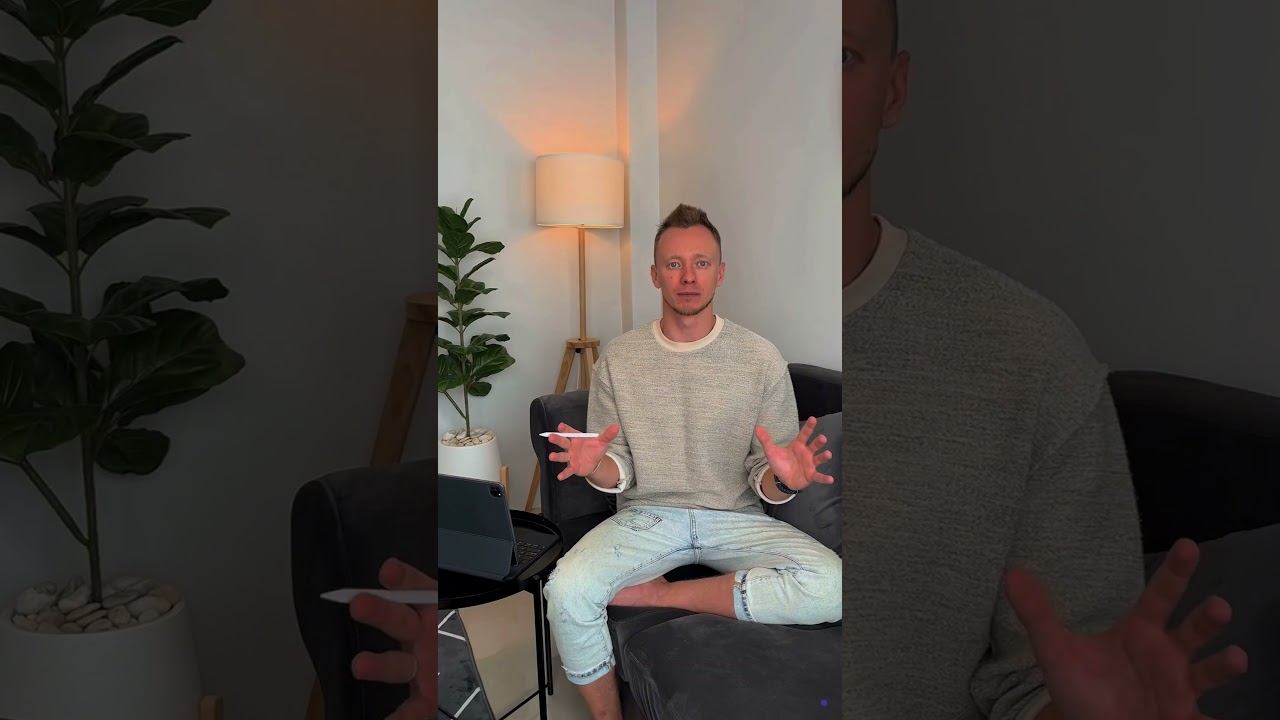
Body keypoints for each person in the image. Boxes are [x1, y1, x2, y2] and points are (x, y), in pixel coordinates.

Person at [842, 1, 1248, 719]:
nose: (795, 97)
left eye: (840, 59)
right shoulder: (634, 340)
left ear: (893, 91)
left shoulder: (1027, 361)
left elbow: (1048, 684)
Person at [542, 203, 841, 719]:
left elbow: (766, 477)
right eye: (674, 264)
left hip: (737, 518)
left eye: (701, 263)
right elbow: (619, 469)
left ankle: (662, 596)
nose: (687, 276)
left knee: (834, 585)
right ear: (654, 274)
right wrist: (595, 466)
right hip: (648, 518)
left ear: (720, 273)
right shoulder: (620, 359)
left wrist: (786, 481)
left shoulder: (760, 358)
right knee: (566, 589)